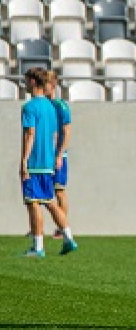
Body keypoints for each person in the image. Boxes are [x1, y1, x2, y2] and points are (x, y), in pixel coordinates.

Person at [20, 68, 78, 258]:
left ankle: (38, 247)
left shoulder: (30, 107)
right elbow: (54, 134)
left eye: (27, 81)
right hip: (48, 161)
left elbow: (30, 134)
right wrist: (54, 156)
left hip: (35, 162)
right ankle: (69, 237)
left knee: (33, 202)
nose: (25, 84)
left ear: (33, 82)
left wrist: (24, 161)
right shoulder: (51, 107)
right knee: (50, 201)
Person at [45, 70, 72, 238]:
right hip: (44, 156)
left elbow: (67, 132)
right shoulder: (43, 105)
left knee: (59, 190)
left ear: (53, 85)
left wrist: (60, 154)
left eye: (45, 84)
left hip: (57, 155)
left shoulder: (61, 106)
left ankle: (62, 228)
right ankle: (37, 227)